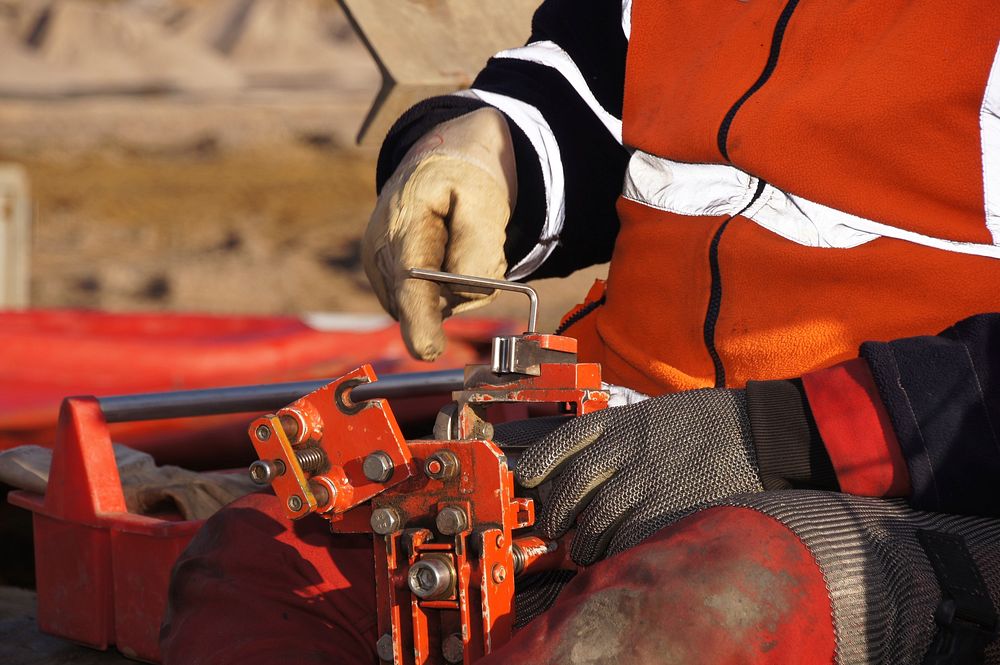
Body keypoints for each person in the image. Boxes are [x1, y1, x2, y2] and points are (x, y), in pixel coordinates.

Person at [161, 1, 1000, 662]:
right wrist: (484, 152)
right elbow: (589, 94)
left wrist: (783, 437)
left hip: (910, 490)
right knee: (268, 558)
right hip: (603, 441)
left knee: (687, 613)